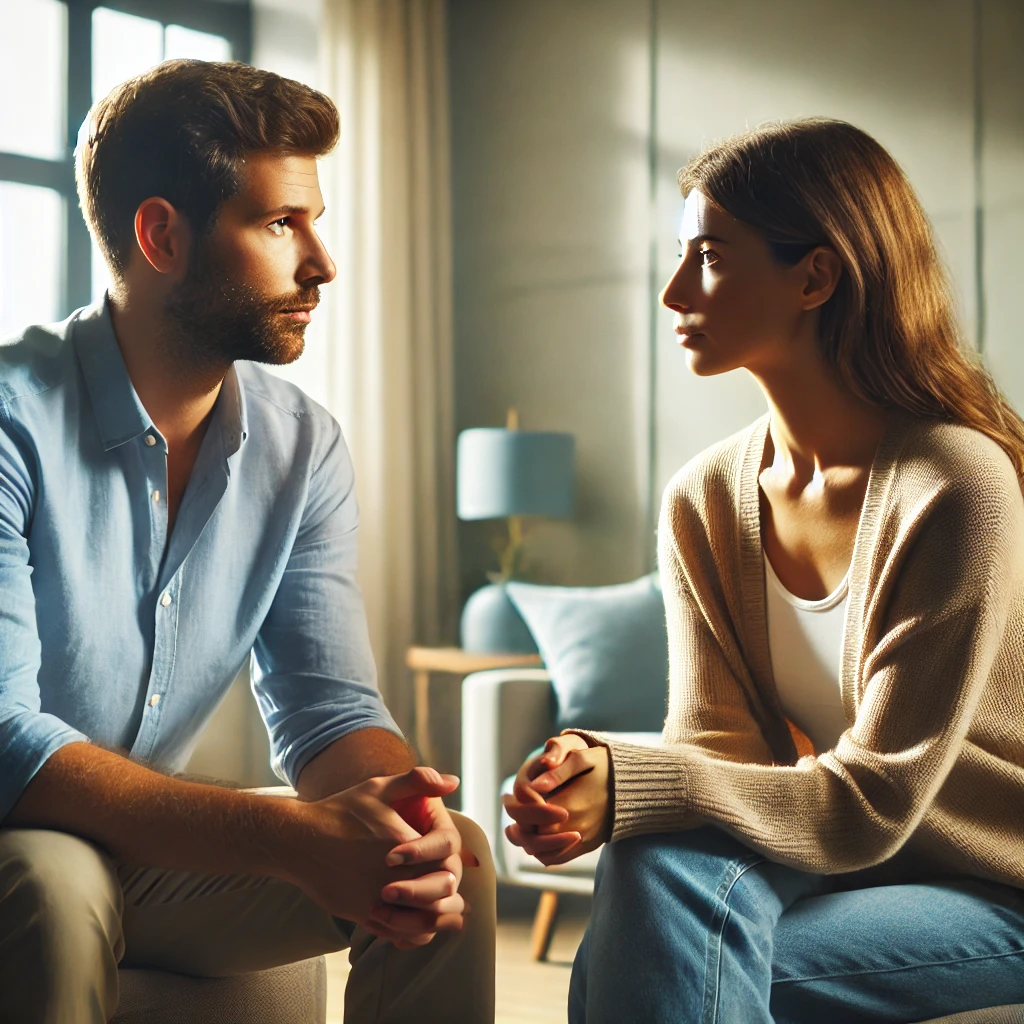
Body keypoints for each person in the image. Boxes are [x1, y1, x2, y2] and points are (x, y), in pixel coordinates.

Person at [0, 59, 494, 1023]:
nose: (323, 262)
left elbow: (328, 709)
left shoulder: (301, 446)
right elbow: (8, 743)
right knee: (53, 880)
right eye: (280, 223)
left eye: (315, 220)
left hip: (144, 855)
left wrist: (398, 811)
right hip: (17, 837)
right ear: (162, 236)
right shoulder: (12, 420)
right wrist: (288, 839)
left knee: (450, 862)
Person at [503, 117, 1024, 1023]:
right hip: (823, 861)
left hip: (990, 885)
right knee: (654, 869)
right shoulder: (703, 498)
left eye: (708, 256)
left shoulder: (955, 483)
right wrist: (602, 777)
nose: (672, 291)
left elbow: (873, 802)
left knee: (647, 966)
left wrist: (627, 777)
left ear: (815, 276)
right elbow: (719, 755)